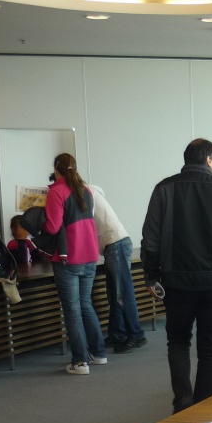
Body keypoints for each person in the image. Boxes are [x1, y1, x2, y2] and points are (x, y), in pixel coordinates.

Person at [141, 138, 212, 414]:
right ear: (208, 160)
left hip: (175, 281)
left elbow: (150, 239)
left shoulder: (164, 189)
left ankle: (182, 402)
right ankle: (203, 407)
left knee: (178, 341)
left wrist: (151, 276)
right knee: (210, 348)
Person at [43, 153, 107, 376]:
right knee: (85, 305)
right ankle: (99, 353)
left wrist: (38, 220)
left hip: (68, 257)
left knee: (72, 311)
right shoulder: (86, 190)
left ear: (56, 169)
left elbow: (52, 227)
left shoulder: (56, 192)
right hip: (90, 255)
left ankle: (80, 362)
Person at [89, 184, 147, 354]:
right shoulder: (90, 191)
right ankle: (117, 334)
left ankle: (136, 334)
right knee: (115, 294)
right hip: (115, 244)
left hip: (116, 244)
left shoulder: (84, 192)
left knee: (122, 294)